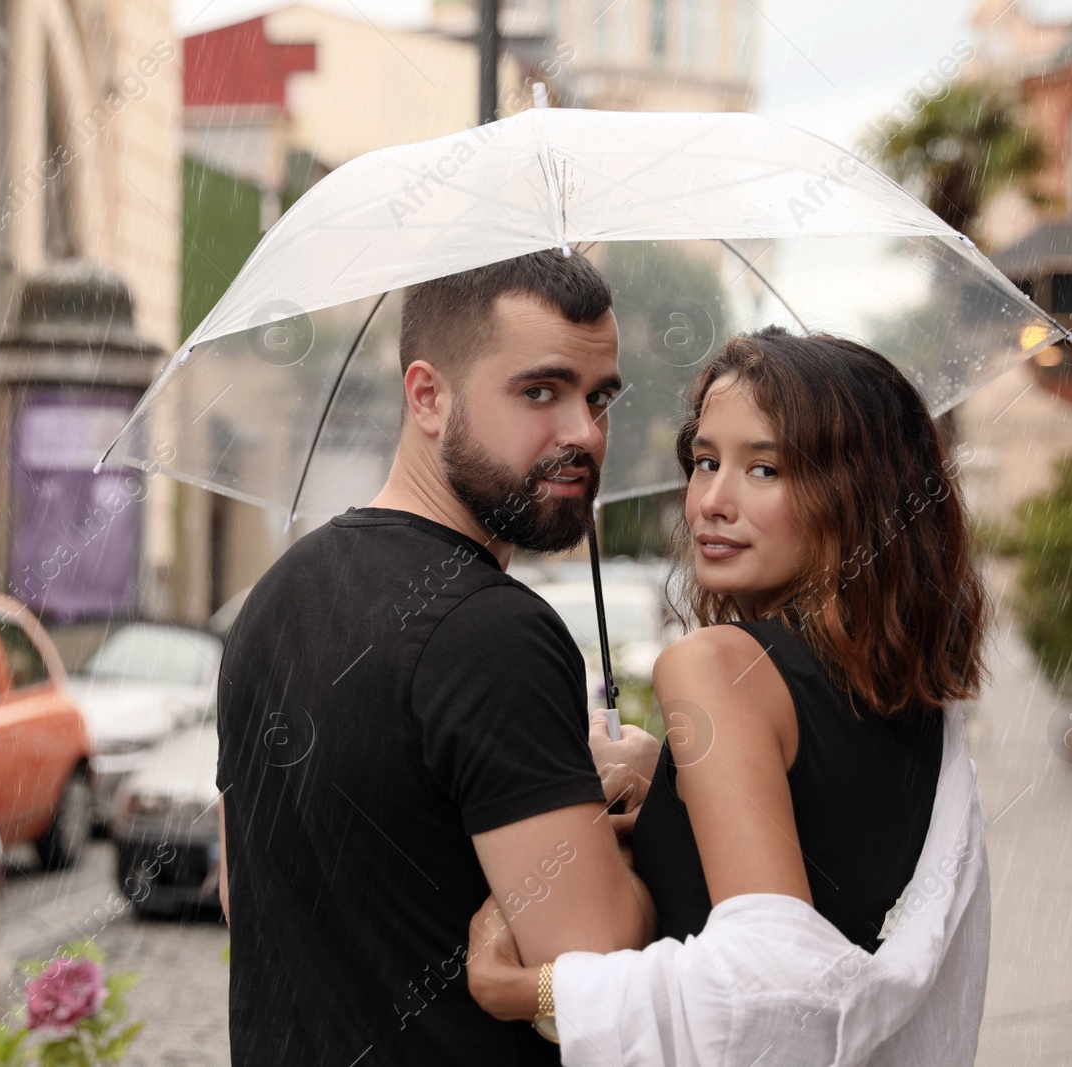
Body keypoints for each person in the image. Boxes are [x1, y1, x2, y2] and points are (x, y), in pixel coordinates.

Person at [466, 327, 993, 1065]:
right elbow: (830, 860)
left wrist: (538, 991)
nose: (711, 500)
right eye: (706, 460)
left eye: (766, 469)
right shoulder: (916, 702)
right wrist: (677, 790)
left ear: (857, 495)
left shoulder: (717, 667)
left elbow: (772, 986)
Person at [215, 249, 657, 1066]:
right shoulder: (492, 633)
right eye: (540, 391)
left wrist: (548, 781)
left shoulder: (269, 601)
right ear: (428, 395)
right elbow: (599, 970)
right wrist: (642, 814)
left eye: (599, 399)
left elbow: (248, 900)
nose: (584, 434)